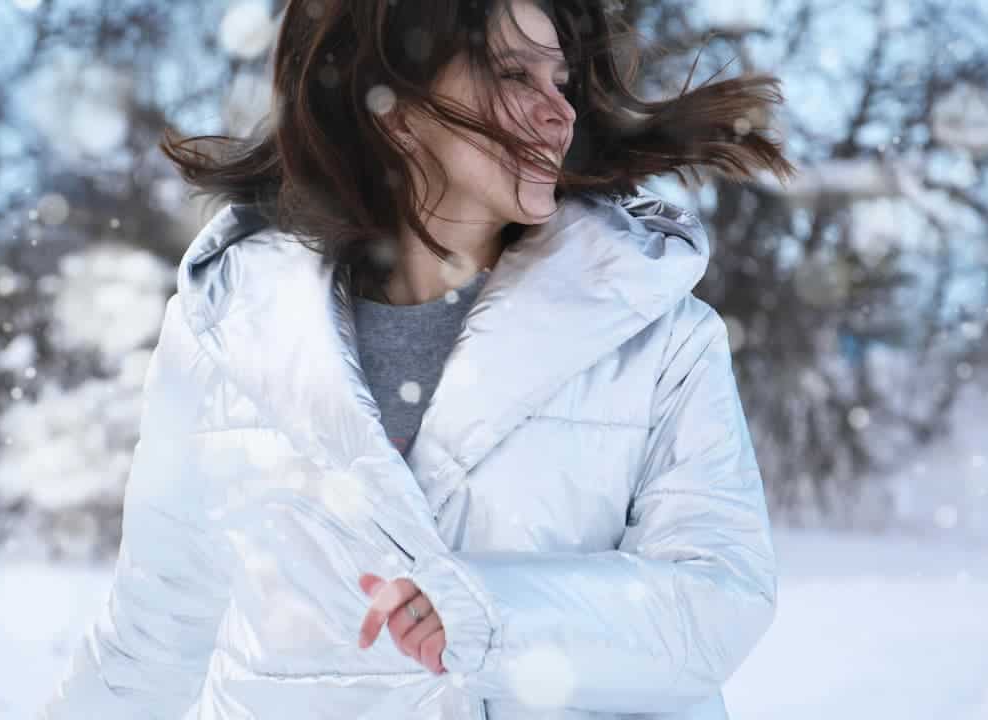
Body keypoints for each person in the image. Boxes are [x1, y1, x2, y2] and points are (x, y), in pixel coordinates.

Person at [43, 0, 795, 718]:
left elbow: (715, 601)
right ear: (396, 110)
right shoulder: (228, 329)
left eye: (560, 81)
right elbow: (152, 633)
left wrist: (488, 613)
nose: (559, 110)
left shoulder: (657, 332)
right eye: (513, 74)